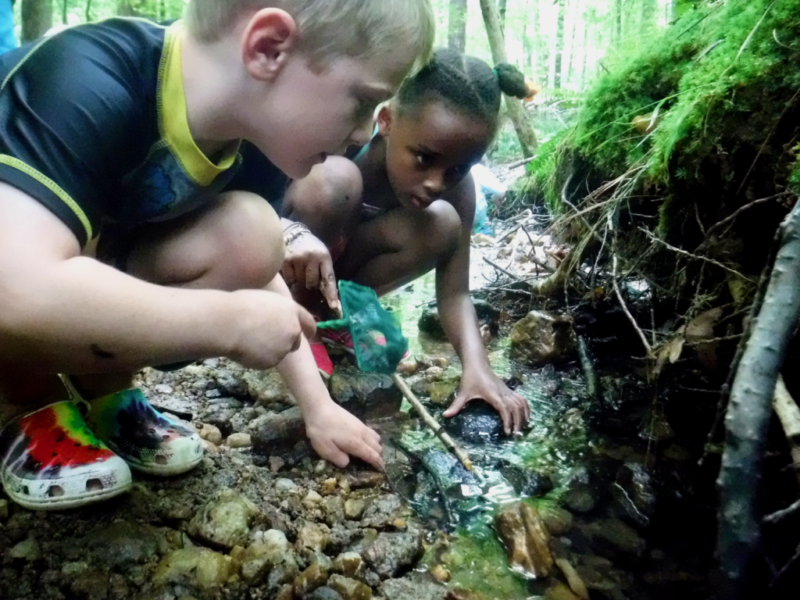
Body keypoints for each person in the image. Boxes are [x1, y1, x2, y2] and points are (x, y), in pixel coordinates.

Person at [0, 0, 435, 510]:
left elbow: (260, 273)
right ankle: (26, 400)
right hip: (15, 275)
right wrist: (228, 323)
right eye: (363, 101)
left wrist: (318, 406)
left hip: (90, 260)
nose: (364, 134)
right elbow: (15, 289)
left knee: (253, 231)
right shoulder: (85, 79)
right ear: (268, 48)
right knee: (49, 244)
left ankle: (104, 390)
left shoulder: (254, 131)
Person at [279, 48, 533, 436]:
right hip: (291, 259)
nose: (436, 182)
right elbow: (273, 205)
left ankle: (335, 317)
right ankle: (299, 314)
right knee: (336, 184)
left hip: (346, 269)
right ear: (387, 120)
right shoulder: (345, 137)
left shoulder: (457, 192)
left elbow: (455, 295)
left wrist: (479, 369)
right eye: (423, 158)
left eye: (458, 169)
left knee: (444, 223)